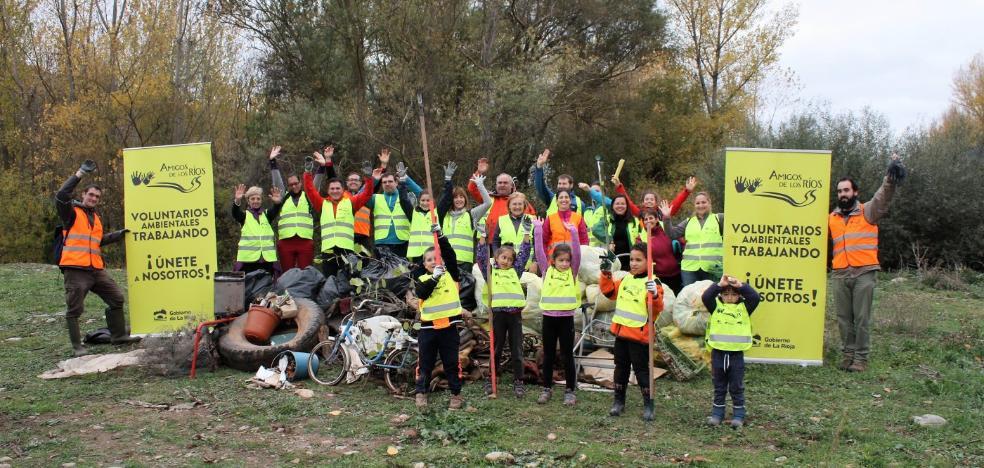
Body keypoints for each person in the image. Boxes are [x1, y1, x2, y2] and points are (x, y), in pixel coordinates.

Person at [56, 161, 139, 356]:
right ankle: (77, 347)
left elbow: (96, 242)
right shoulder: (71, 213)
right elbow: (61, 196)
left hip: (95, 270)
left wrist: (118, 235)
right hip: (76, 269)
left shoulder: (96, 218)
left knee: (117, 299)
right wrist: (79, 174)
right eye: (91, 194)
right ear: (83, 195)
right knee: (74, 309)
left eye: (97, 196)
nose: (94, 198)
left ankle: (118, 336)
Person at [829, 154, 904, 373]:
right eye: (839, 191)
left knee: (861, 318)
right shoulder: (831, 218)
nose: (842, 194)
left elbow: (883, 197)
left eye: (846, 190)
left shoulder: (867, 212)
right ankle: (847, 355)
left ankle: (860, 359)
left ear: (855, 192)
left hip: (864, 273)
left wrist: (889, 179)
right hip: (840, 274)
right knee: (844, 318)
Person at [599, 242, 663, 421]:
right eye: (632, 260)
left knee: (642, 371)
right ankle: (619, 401)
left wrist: (655, 295)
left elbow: (657, 309)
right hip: (621, 334)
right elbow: (609, 291)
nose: (634, 263)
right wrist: (605, 273)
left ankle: (648, 404)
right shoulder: (626, 279)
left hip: (639, 336)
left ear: (648, 262)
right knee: (621, 369)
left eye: (639, 260)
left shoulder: (653, 283)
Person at [476, 223, 532, 398]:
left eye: (509, 259)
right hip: (498, 315)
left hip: (514, 315)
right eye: (503, 257)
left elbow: (524, 254)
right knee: (496, 348)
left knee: (517, 349)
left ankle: (519, 381)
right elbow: (481, 258)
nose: (506, 261)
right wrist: (482, 237)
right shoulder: (490, 271)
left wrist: (526, 234)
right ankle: (492, 378)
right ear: (496, 257)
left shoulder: (515, 271)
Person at [413, 224, 465, 410]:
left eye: (436, 258)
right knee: (425, 363)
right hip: (428, 329)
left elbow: (450, 254)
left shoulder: (451, 274)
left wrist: (441, 236)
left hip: (449, 328)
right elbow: (423, 293)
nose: (433, 261)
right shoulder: (422, 280)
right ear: (424, 264)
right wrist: (433, 278)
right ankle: (421, 393)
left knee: (451, 363)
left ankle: (456, 395)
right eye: (428, 260)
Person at [305, 150, 378, 277]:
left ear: (343, 190)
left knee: (349, 280)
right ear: (327, 191)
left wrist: (368, 177)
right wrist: (307, 173)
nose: (335, 191)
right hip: (328, 250)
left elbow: (367, 193)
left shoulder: (350, 202)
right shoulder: (322, 204)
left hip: (346, 249)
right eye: (332, 189)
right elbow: (310, 191)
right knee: (330, 280)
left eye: (338, 188)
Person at [701, 274, 761, 428]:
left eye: (734, 294)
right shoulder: (716, 307)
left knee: (736, 386)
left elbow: (754, 297)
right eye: (726, 294)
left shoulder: (744, 308)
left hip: (736, 355)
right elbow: (707, 296)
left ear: (739, 295)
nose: (729, 297)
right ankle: (717, 415)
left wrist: (741, 285)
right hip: (718, 353)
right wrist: (719, 285)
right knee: (719, 386)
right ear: (721, 295)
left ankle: (739, 416)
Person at [533, 221, 582, 406]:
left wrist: (574, 233)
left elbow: (577, 253)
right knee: (549, 354)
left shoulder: (573, 272)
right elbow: (539, 252)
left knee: (567, 354)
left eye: (567, 260)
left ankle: (570, 390)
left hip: (566, 320)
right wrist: (538, 229)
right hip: (549, 319)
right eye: (560, 260)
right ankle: (546, 388)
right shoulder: (547, 271)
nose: (564, 263)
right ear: (553, 260)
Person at [268, 145, 317, 270]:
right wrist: (272, 162)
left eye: (296, 183)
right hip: (286, 242)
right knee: (287, 274)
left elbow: (315, 185)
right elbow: (277, 181)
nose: (294, 186)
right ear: (288, 186)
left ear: (300, 183)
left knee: (305, 274)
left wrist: (321, 167)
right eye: (291, 185)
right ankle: (286, 291)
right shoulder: (283, 197)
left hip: (305, 241)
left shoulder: (308, 197)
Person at [438, 163, 492, 273]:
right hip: (446, 261)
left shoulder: (471, 214)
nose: (459, 200)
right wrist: (447, 179)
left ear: (465, 199)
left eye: (461, 197)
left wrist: (480, 186)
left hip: (464, 263)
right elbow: (443, 200)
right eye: (456, 197)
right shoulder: (444, 216)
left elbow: (487, 203)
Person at [466, 158, 536, 243]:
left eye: (505, 183)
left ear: (511, 185)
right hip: (488, 242)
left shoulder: (520, 201)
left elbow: (532, 221)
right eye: (500, 183)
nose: (502, 185)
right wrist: (479, 172)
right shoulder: (488, 198)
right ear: (496, 185)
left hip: (511, 243)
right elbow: (471, 188)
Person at [666, 192, 723, 287]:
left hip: (713, 269)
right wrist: (667, 218)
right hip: (690, 269)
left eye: (704, 202)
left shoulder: (719, 219)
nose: (701, 205)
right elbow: (672, 234)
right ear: (694, 205)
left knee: (711, 298)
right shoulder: (688, 222)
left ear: (709, 203)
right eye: (698, 203)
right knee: (690, 299)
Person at [232, 184, 283, 276]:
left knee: (266, 288)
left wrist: (277, 203)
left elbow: (275, 210)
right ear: (248, 201)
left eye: (258, 199)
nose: (256, 201)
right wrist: (237, 200)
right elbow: (235, 213)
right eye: (253, 199)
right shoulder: (244, 216)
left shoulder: (267, 215)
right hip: (248, 261)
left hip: (266, 260)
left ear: (261, 200)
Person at [367, 172, 415, 258]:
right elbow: (360, 196)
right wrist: (373, 180)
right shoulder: (375, 198)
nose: (387, 184)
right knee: (382, 271)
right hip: (381, 243)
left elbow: (423, 193)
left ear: (396, 182)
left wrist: (406, 179)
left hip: (402, 242)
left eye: (390, 181)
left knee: (402, 271)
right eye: (384, 182)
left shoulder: (406, 197)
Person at [532, 148, 586, 215]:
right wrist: (539, 167)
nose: (561, 186)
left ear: (571, 185)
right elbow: (540, 187)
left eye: (564, 184)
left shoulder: (580, 204)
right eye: (559, 183)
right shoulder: (551, 198)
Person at [540, 189, 589, 256]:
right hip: (554, 260)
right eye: (561, 197)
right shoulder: (550, 219)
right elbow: (543, 241)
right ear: (556, 201)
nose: (564, 199)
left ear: (570, 200)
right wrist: (546, 259)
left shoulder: (578, 218)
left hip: (574, 260)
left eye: (566, 197)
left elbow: (584, 241)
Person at [647, 203, 683, 294]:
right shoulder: (641, 237)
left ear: (657, 219)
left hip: (676, 274)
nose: (648, 221)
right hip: (659, 277)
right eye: (645, 219)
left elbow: (682, 242)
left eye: (651, 218)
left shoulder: (666, 230)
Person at [607, 194, 643, 271]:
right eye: (617, 204)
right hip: (612, 260)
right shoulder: (607, 219)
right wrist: (610, 240)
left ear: (627, 206)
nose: (620, 206)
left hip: (631, 261)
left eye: (623, 204)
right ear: (612, 206)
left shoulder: (635, 221)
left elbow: (642, 238)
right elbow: (597, 230)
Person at [406, 189, 439, 264]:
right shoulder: (413, 213)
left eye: (428, 200)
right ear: (419, 201)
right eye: (423, 200)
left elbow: (446, 199)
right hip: (416, 254)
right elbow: (403, 200)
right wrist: (403, 181)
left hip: (432, 254)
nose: (425, 203)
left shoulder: (437, 213)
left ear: (432, 201)